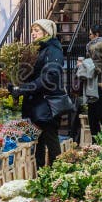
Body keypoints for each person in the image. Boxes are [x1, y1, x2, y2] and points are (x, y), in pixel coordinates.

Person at [10, 19, 68, 168]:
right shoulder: (38, 49)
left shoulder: (53, 50)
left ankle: (57, 174)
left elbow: (50, 76)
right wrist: (17, 84)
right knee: (38, 140)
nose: (33, 34)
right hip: (36, 103)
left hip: (47, 104)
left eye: (36, 30)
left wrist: (25, 88)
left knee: (50, 138)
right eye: (32, 31)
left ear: (46, 32)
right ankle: (40, 173)